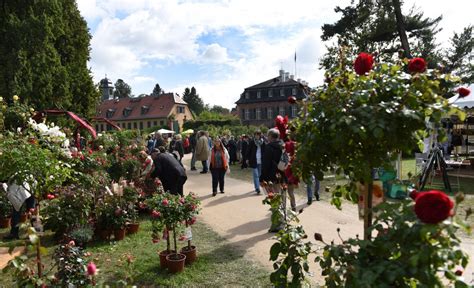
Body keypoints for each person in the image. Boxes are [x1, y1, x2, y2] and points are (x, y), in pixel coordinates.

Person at [260, 128, 284, 232]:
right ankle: (282, 221)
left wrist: (262, 177)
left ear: (270, 136)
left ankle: (276, 224)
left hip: (271, 177)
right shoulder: (283, 146)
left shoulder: (269, 147)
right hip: (281, 176)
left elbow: (266, 164)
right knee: (281, 199)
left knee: (274, 200)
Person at [284, 137, 298, 211]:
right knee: (290, 192)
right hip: (290, 177)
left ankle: (284, 208)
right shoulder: (295, 157)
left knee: (284, 193)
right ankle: (293, 207)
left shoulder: (285, 156)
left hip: (285, 176)